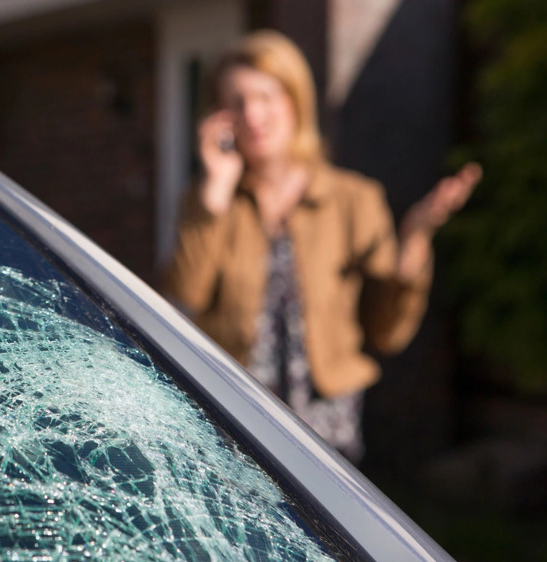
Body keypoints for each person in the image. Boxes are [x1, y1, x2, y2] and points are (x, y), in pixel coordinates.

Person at [160, 30, 481, 462]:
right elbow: (181, 302)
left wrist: (416, 239)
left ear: (295, 101)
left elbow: (388, 330)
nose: (252, 114)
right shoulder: (207, 201)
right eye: (236, 101)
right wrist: (213, 198)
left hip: (328, 432)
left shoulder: (354, 199)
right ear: (219, 115)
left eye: (266, 96)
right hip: (231, 423)